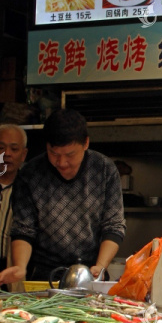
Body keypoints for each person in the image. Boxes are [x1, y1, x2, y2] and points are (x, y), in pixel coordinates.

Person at [0, 109, 125, 283]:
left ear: (86, 143)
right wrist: (20, 267)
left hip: (91, 273)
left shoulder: (104, 169)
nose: (62, 163)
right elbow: (24, 229)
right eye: (54, 154)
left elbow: (113, 225)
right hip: (44, 276)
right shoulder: (30, 174)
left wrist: (100, 266)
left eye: (70, 155)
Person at [0, 124, 28, 285]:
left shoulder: (30, 188)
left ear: (23, 154)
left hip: (14, 272)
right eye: (1, 147)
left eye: (14, 149)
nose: (7, 154)